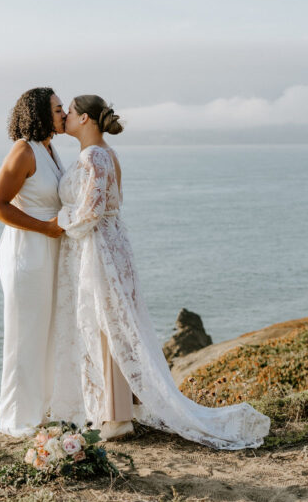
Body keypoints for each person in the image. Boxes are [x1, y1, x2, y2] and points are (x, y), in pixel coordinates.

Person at [47, 95, 270, 448]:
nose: (65, 119)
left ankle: (117, 417)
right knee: (113, 324)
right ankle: (120, 409)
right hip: (108, 244)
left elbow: (90, 211)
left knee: (108, 326)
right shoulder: (103, 153)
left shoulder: (94, 156)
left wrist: (55, 223)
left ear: (85, 118)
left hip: (101, 249)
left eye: (70, 113)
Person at [0, 87, 67, 437]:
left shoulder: (50, 149)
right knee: (25, 334)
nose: (64, 113)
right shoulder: (23, 151)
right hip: (27, 251)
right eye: (58, 108)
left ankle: (40, 409)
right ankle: (17, 420)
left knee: (47, 332)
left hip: (49, 249)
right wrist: (45, 228)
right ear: (40, 113)